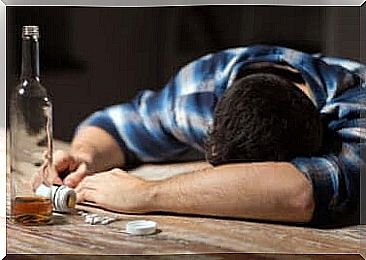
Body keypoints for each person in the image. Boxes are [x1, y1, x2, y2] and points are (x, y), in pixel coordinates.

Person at [34, 45, 365, 226]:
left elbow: (302, 193)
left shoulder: (355, 116)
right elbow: (117, 125)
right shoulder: (205, 89)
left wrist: (147, 195)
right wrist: (85, 156)